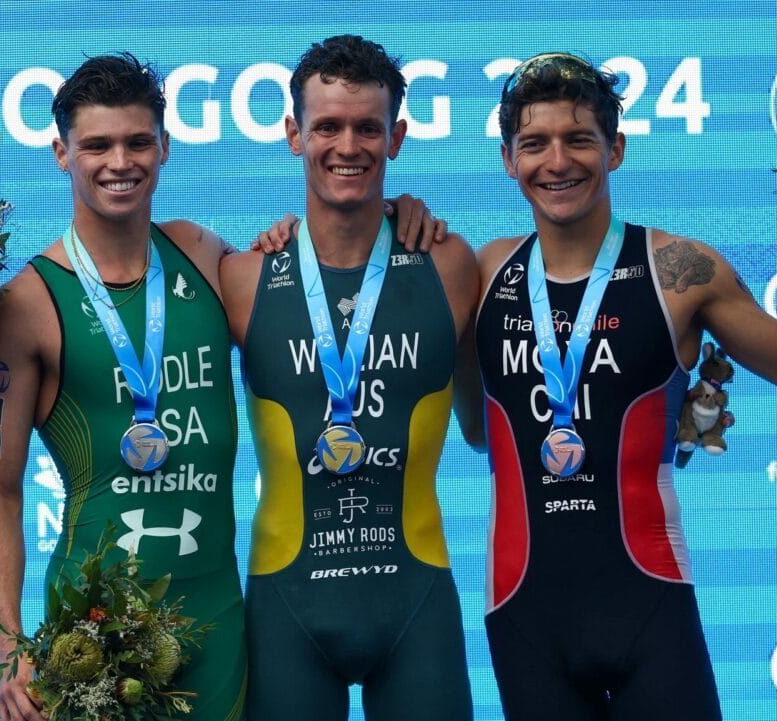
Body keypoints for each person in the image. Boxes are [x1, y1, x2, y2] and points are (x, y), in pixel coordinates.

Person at [0, 51, 443, 721]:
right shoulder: (29, 302)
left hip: (217, 626)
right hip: (92, 635)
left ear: (165, 147)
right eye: (96, 144)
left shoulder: (207, 258)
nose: (119, 161)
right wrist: (13, 649)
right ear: (62, 152)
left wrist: (395, 210)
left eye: (136, 142)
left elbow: (318, 272)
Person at [456, 52, 777, 720]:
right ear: (508, 159)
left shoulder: (680, 269)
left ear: (616, 149)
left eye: (579, 139)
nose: (558, 161)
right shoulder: (480, 273)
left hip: (649, 605)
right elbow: (479, 430)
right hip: (525, 614)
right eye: (535, 144)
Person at [219, 35, 478, 721]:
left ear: (396, 137)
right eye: (327, 126)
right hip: (288, 605)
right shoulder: (244, 279)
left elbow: (484, 426)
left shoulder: (450, 265)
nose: (348, 145)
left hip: (415, 601)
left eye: (368, 127)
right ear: (293, 135)